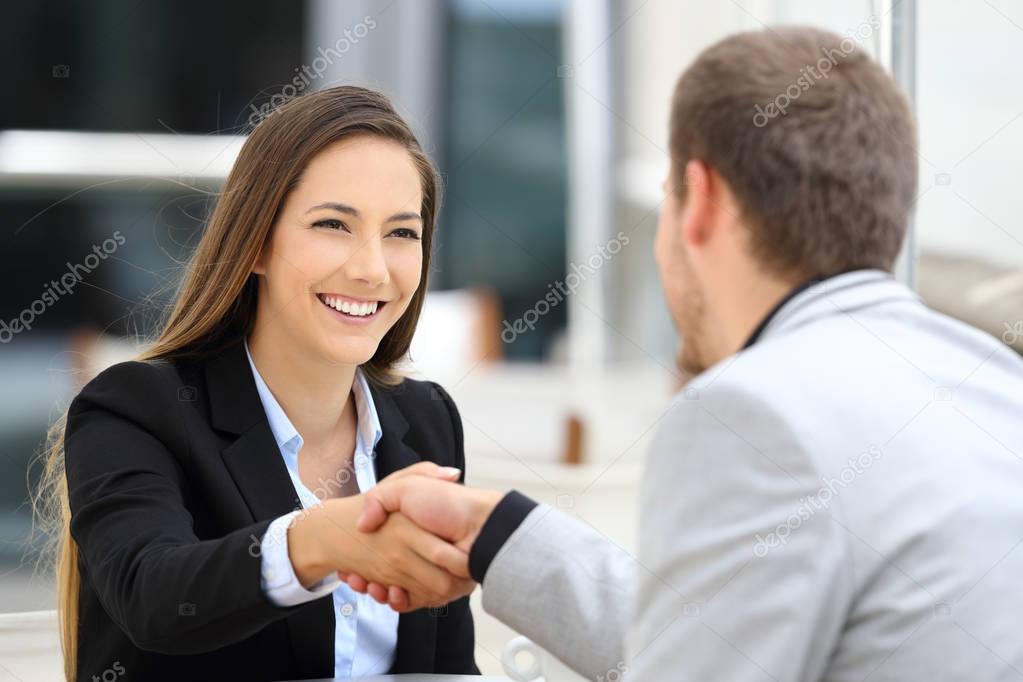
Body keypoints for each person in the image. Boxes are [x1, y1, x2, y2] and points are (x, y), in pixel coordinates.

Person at [343, 27, 1023, 680]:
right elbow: (723, 635)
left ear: (698, 200)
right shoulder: (990, 378)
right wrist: (502, 535)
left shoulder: (751, 411)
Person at [35, 86, 479, 682]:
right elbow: (153, 596)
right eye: (333, 224)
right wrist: (319, 540)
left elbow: (448, 668)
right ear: (257, 244)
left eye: (401, 232)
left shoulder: (426, 419)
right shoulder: (136, 409)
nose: (372, 268)